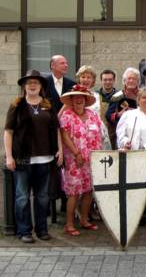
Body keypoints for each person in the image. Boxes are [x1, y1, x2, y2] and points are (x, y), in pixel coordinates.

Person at [3, 70, 63, 243]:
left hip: (45, 160)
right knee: (22, 197)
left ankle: (42, 229)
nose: (32, 85)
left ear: (41, 86)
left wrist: (59, 149)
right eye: (29, 82)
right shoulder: (17, 105)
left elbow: (57, 129)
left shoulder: (48, 105)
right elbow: (8, 132)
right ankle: (24, 231)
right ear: (24, 86)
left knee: (42, 197)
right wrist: (9, 156)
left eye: (36, 82)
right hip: (23, 159)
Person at [59, 84, 103, 236]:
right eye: (75, 97)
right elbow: (64, 136)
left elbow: (99, 135)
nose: (78, 100)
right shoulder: (67, 116)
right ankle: (69, 224)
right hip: (74, 161)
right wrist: (77, 153)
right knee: (74, 193)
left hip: (91, 160)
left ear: (86, 100)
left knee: (89, 191)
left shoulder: (93, 114)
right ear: (71, 100)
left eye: (81, 97)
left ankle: (84, 220)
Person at [106, 67, 141, 149]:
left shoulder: (142, 95)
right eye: (129, 78)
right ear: (124, 81)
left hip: (139, 131)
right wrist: (118, 115)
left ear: (138, 81)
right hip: (122, 132)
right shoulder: (117, 96)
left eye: (134, 79)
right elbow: (108, 115)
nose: (131, 81)